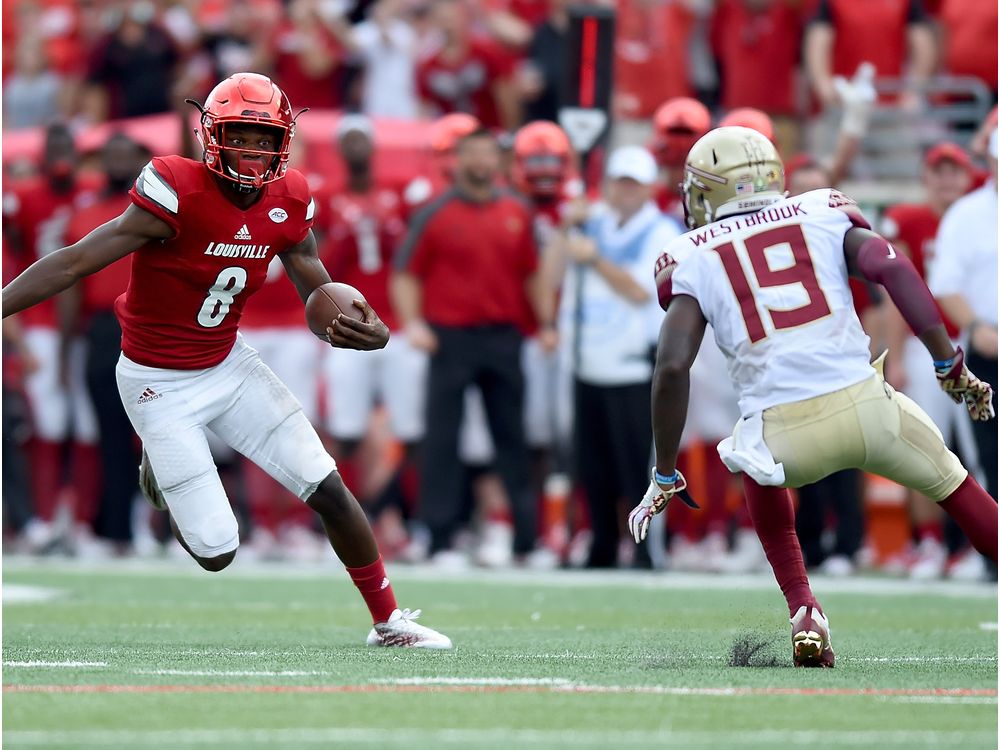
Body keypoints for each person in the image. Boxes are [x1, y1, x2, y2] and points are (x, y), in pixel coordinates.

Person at [2, 72, 451, 650]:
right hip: (156, 381)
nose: (254, 150)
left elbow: (317, 287)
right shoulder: (176, 187)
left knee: (328, 485)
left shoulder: (290, 197)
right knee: (217, 552)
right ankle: (160, 473)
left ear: (283, 142)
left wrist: (366, 325)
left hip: (228, 365)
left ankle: (389, 622)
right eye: (242, 134)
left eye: (265, 139)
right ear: (213, 134)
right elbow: (75, 261)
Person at [628, 126, 997, 667]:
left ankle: (803, 605)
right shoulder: (823, 209)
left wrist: (664, 470)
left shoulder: (691, 253)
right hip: (870, 407)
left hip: (784, 433)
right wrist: (948, 361)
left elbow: (672, 366)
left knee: (750, 456)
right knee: (957, 487)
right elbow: (892, 267)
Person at [392, 127, 557, 561]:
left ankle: (527, 541)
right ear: (460, 160)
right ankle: (439, 536)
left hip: (504, 337)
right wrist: (413, 324)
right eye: (474, 154)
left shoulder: (518, 211)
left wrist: (545, 322)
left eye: (489, 154)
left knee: (513, 439)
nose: (481, 163)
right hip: (450, 338)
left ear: (499, 162)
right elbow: (406, 272)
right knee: (442, 440)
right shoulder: (435, 213)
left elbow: (532, 273)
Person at [555, 145, 681, 568]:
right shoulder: (590, 223)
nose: (624, 191)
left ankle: (647, 548)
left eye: (633, 184)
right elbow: (554, 274)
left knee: (638, 468)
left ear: (648, 188)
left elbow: (640, 289)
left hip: (631, 364)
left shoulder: (661, 231)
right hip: (588, 361)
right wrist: (565, 231)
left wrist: (594, 258)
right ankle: (602, 546)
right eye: (619, 182)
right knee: (593, 468)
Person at [881, 143, 980, 578]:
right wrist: (896, 356)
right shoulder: (909, 220)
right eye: (938, 172)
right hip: (930, 349)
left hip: (979, 345)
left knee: (982, 452)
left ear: (968, 176)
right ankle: (932, 544)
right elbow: (895, 296)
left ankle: (977, 547)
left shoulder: (981, 217)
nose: (947, 181)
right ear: (925, 177)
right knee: (927, 447)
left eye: (954, 172)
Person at [58, 133, 150, 555]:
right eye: (108, 154)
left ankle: (156, 525)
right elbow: (71, 282)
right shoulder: (85, 214)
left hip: (149, 324)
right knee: (110, 434)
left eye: (123, 154)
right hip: (100, 330)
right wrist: (64, 349)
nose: (114, 161)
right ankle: (117, 530)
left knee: (155, 431)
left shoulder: (154, 210)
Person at [928, 128, 999, 579]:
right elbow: (945, 284)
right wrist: (976, 326)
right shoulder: (968, 215)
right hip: (988, 350)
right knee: (988, 458)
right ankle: (992, 552)